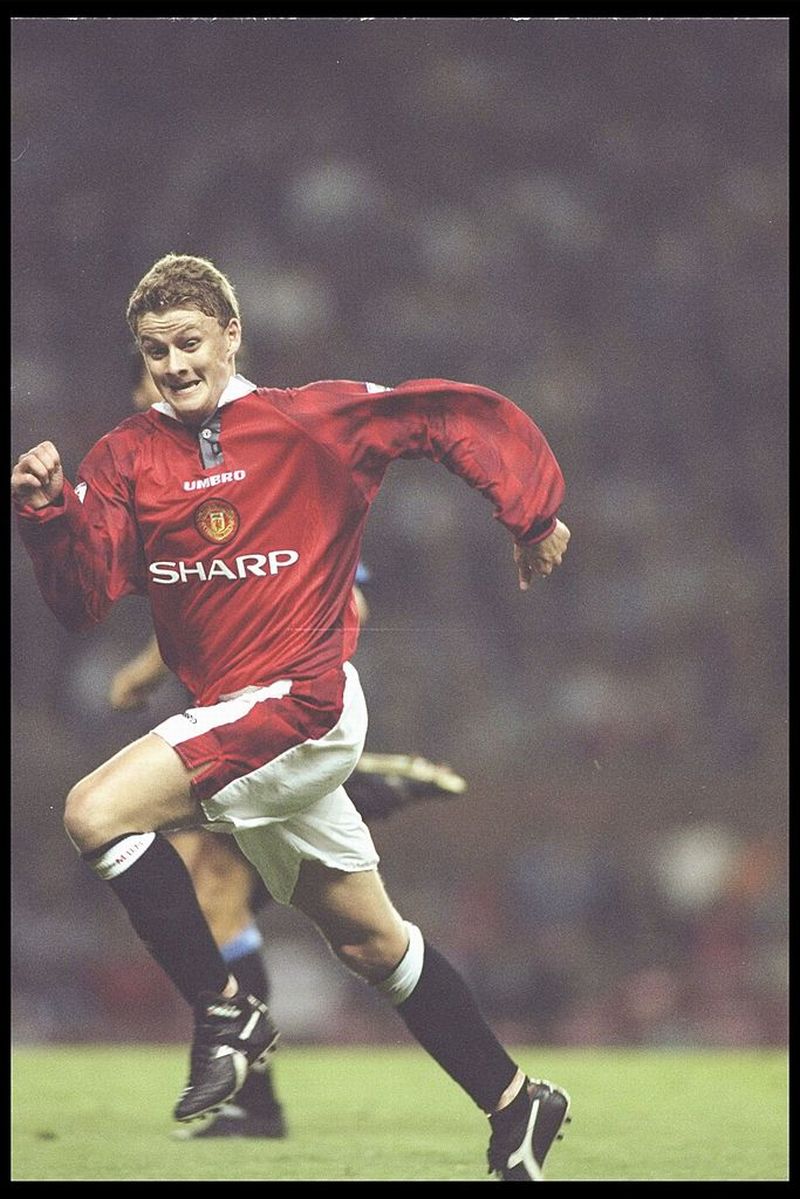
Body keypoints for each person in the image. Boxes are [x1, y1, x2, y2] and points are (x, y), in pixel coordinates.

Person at [13, 253, 572, 1181]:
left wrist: (533, 512)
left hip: (303, 701)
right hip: (239, 725)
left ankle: (224, 1010)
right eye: (156, 350)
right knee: (371, 944)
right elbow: (83, 599)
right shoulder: (123, 457)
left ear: (232, 334)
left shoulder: (308, 421)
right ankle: (517, 1100)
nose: (175, 364)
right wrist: (45, 517)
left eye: (190, 342)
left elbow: (441, 414)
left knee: (94, 811)